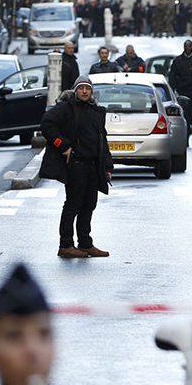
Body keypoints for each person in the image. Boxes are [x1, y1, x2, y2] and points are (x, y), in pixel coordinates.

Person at [39, 76, 113, 258]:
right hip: (75, 165)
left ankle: (85, 243)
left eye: (87, 88)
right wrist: (62, 145)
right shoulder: (66, 108)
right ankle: (65, 245)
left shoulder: (96, 112)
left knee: (89, 205)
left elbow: (102, 140)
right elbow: (47, 125)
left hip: (93, 166)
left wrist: (107, 165)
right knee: (73, 204)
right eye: (81, 88)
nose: (85, 91)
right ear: (75, 90)